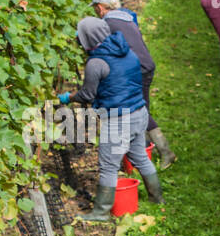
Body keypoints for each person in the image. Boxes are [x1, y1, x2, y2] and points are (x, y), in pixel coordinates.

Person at [58, 17, 162, 220]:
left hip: (118, 120)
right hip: (139, 112)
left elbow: (88, 95)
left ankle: (101, 212)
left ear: (88, 38)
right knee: (140, 156)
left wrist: (69, 97)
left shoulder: (96, 63)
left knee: (108, 166)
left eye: (80, 36)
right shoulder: (127, 51)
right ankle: (157, 198)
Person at [91, 0, 175, 169]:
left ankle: (165, 151)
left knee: (140, 110)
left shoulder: (106, 24)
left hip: (137, 70)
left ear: (99, 7)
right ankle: (143, 153)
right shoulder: (126, 16)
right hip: (146, 64)